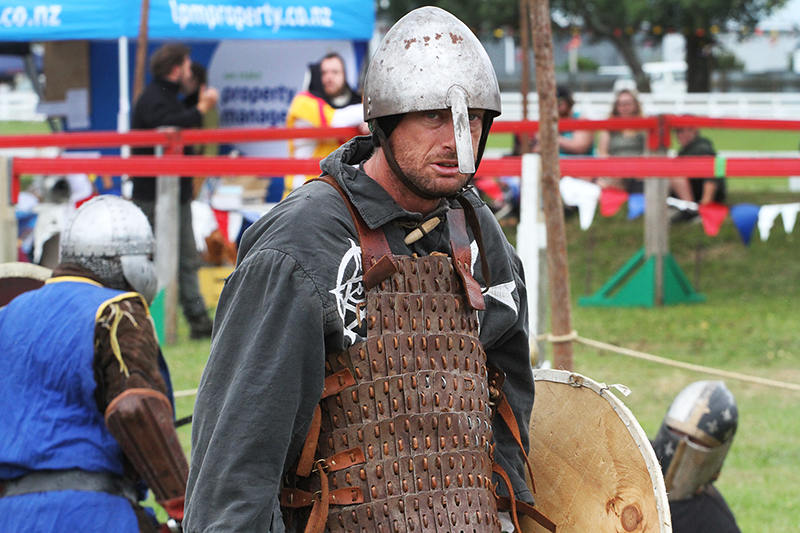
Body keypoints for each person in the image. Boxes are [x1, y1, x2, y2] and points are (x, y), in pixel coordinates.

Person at [185, 7, 538, 533]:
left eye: (473, 119)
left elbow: (508, 412)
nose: (455, 140)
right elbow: (235, 471)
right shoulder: (301, 244)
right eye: (434, 116)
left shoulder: (479, 232)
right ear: (387, 120)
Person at [0, 196, 189, 533]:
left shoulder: (8, 315)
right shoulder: (116, 311)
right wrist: (183, 504)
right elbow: (136, 408)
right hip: (91, 515)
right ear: (129, 262)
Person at [130, 43, 219, 339]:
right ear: (176, 67)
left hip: (169, 193)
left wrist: (196, 100)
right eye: (187, 63)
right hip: (154, 195)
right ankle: (146, 317)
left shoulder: (160, 95)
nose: (190, 68)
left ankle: (196, 320)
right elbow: (169, 126)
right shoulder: (155, 98)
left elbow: (176, 114)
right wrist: (201, 108)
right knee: (149, 258)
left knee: (185, 258)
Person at [651, 381, 741, 533]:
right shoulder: (625, 461)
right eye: (677, 433)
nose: (682, 446)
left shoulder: (716, 523)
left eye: (696, 442)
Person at [284, 52, 370, 194]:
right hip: (305, 190)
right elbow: (334, 121)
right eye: (324, 72)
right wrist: (371, 112)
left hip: (343, 189)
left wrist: (371, 123)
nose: (329, 77)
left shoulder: (357, 103)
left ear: (345, 75)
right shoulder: (304, 102)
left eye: (335, 72)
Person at [597, 89, 647, 192]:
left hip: (639, 170)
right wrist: (615, 169)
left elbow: (648, 152)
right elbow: (602, 152)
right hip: (614, 170)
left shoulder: (644, 126)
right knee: (602, 183)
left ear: (636, 105)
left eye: (628, 103)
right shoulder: (608, 126)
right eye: (621, 104)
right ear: (616, 106)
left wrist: (636, 168)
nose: (624, 107)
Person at [670, 125, 726, 207]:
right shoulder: (688, 149)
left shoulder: (701, 149)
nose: (678, 135)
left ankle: (690, 209)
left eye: (681, 131)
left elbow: (711, 177)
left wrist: (705, 204)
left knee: (675, 175)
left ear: (694, 130)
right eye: (677, 132)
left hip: (706, 194)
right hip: (700, 191)